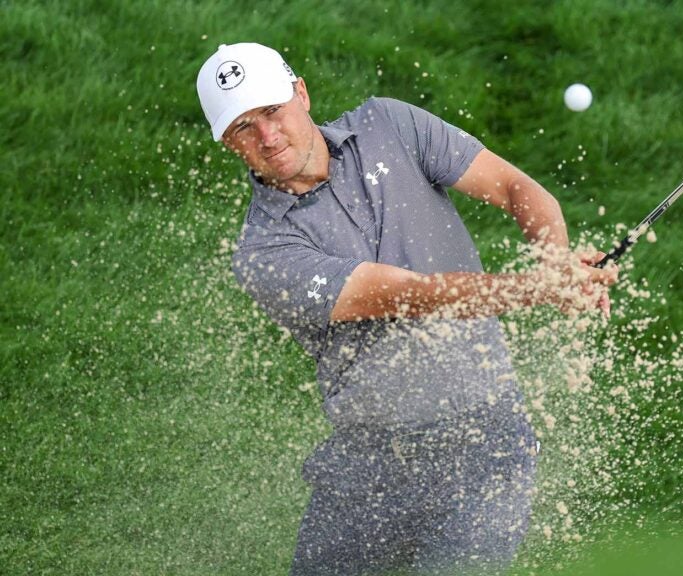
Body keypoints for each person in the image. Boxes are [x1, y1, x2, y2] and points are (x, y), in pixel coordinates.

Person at [196, 42, 617, 575]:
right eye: (242, 128)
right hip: (366, 463)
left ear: (300, 93)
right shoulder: (264, 254)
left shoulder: (387, 124)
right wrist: (538, 288)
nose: (267, 136)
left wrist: (556, 266)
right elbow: (408, 297)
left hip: (483, 444)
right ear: (228, 144)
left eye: (272, 111)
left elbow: (515, 187)